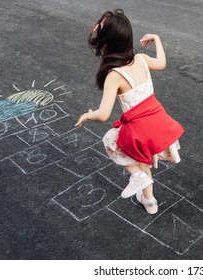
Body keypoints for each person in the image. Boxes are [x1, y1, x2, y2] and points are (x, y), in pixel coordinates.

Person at [75, 9, 184, 214]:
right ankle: (149, 201)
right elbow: (161, 63)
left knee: (111, 140)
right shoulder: (142, 59)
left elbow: (104, 114)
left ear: (106, 42)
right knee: (140, 160)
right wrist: (157, 39)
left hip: (140, 129)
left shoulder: (114, 75)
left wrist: (88, 115)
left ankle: (136, 176)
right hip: (159, 123)